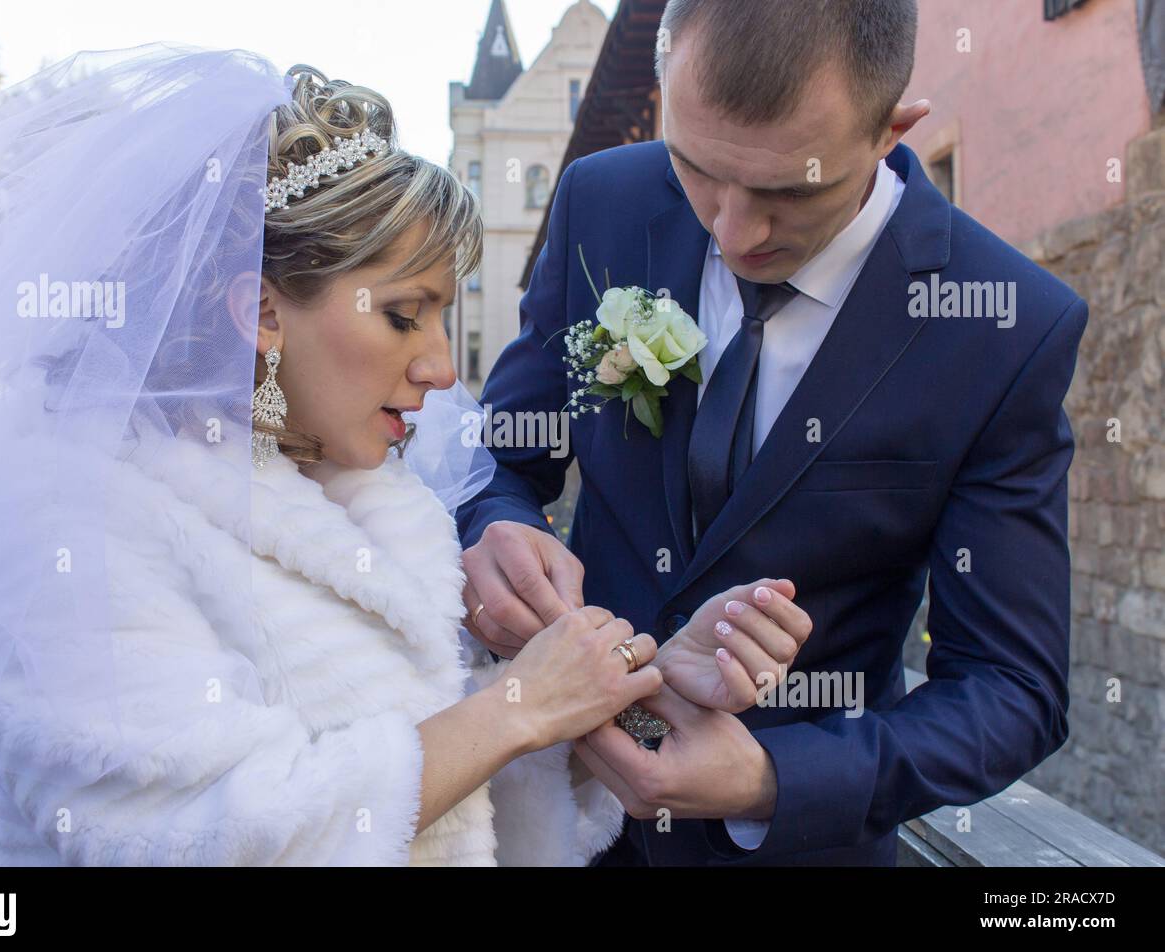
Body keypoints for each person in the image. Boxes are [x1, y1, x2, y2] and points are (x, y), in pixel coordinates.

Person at [0, 46, 665, 866]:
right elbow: (196, 840)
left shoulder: (365, 495)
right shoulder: (75, 529)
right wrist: (519, 707)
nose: (442, 368)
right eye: (402, 316)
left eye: (441, 317)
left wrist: (638, 692)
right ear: (262, 314)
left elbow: (449, 791)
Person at [458, 0, 1086, 866]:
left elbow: (1012, 690)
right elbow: (501, 457)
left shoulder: (1007, 326)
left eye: (790, 191)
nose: (731, 230)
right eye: (696, 168)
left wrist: (771, 779)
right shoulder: (599, 201)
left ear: (890, 129)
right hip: (553, 816)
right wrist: (499, 523)